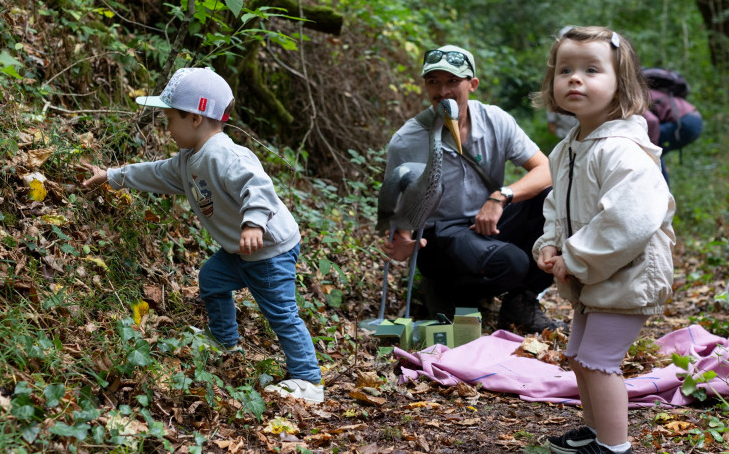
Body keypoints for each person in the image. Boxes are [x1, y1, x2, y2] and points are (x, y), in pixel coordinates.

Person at [81, 67, 324, 404]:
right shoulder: (187, 161)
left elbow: (259, 187)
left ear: (195, 118)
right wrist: (111, 175)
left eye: (170, 118)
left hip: (269, 249)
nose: (166, 127)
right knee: (211, 277)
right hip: (240, 250)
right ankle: (225, 340)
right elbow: (153, 173)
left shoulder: (224, 154)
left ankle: (309, 381)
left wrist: (254, 223)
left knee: (281, 313)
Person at [531, 26, 675, 454]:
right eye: (565, 70)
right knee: (580, 355)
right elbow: (556, 205)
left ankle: (616, 449)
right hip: (595, 272)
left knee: (599, 360)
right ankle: (596, 431)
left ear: (621, 83)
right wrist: (550, 243)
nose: (575, 79)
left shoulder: (623, 151)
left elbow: (627, 222)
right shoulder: (567, 148)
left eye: (591, 70)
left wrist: (573, 258)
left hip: (629, 272)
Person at [382, 44, 561, 334]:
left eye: (453, 81)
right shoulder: (407, 140)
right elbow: (399, 205)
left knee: (556, 201)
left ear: (472, 84)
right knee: (512, 262)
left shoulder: (495, 121)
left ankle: (521, 303)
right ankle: (451, 292)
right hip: (441, 235)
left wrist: (500, 196)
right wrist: (403, 240)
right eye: (434, 82)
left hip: (487, 220)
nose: (443, 91)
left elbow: (548, 170)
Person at [647, 87, 703, 183]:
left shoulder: (633, 95)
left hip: (685, 121)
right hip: (695, 119)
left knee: (649, 151)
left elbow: (652, 120)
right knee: (652, 152)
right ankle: (662, 192)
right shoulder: (647, 91)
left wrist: (651, 146)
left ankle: (662, 193)